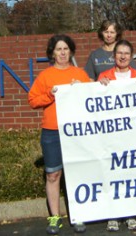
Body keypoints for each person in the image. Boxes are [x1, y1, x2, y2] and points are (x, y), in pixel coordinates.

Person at [28, 34, 91, 235]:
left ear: (70, 51)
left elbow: (95, 97)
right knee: (53, 174)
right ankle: (55, 217)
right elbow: (32, 100)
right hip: (52, 132)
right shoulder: (45, 76)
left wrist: (83, 90)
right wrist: (50, 94)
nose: (62, 53)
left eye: (65, 49)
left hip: (76, 131)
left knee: (77, 173)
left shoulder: (80, 74)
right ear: (52, 53)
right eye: (58, 49)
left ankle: (78, 214)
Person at [97, 39, 136, 232]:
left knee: (131, 173)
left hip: (134, 135)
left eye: (126, 53)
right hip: (112, 135)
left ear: (131, 56)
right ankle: (113, 214)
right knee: (112, 173)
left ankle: (131, 213)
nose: (123, 56)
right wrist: (98, 86)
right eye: (119, 53)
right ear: (114, 56)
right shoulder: (104, 76)